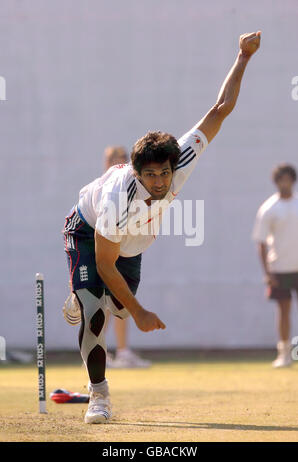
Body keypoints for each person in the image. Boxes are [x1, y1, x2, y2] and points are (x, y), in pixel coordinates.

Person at [63, 31, 261, 424]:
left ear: (174, 167)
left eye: (164, 173)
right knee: (96, 312)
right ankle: (99, 395)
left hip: (132, 246)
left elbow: (220, 109)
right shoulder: (119, 198)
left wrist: (242, 56)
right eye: (150, 175)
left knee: (116, 308)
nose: (159, 182)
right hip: (88, 231)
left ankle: (83, 296)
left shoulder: (180, 162)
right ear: (136, 172)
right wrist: (141, 311)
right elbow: (105, 264)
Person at [103, 146, 151, 368]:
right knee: (101, 304)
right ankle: (98, 352)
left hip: (124, 252)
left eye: (122, 158)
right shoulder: (104, 186)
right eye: (114, 159)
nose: (119, 162)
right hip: (105, 252)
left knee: (123, 301)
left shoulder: (132, 186)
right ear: (107, 162)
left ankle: (123, 352)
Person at [253, 164, 298, 368]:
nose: (285, 183)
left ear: (293, 180)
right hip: (280, 268)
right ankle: (284, 354)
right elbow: (261, 243)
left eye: (288, 179)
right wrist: (267, 273)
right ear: (276, 182)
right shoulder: (269, 208)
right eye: (281, 179)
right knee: (284, 310)